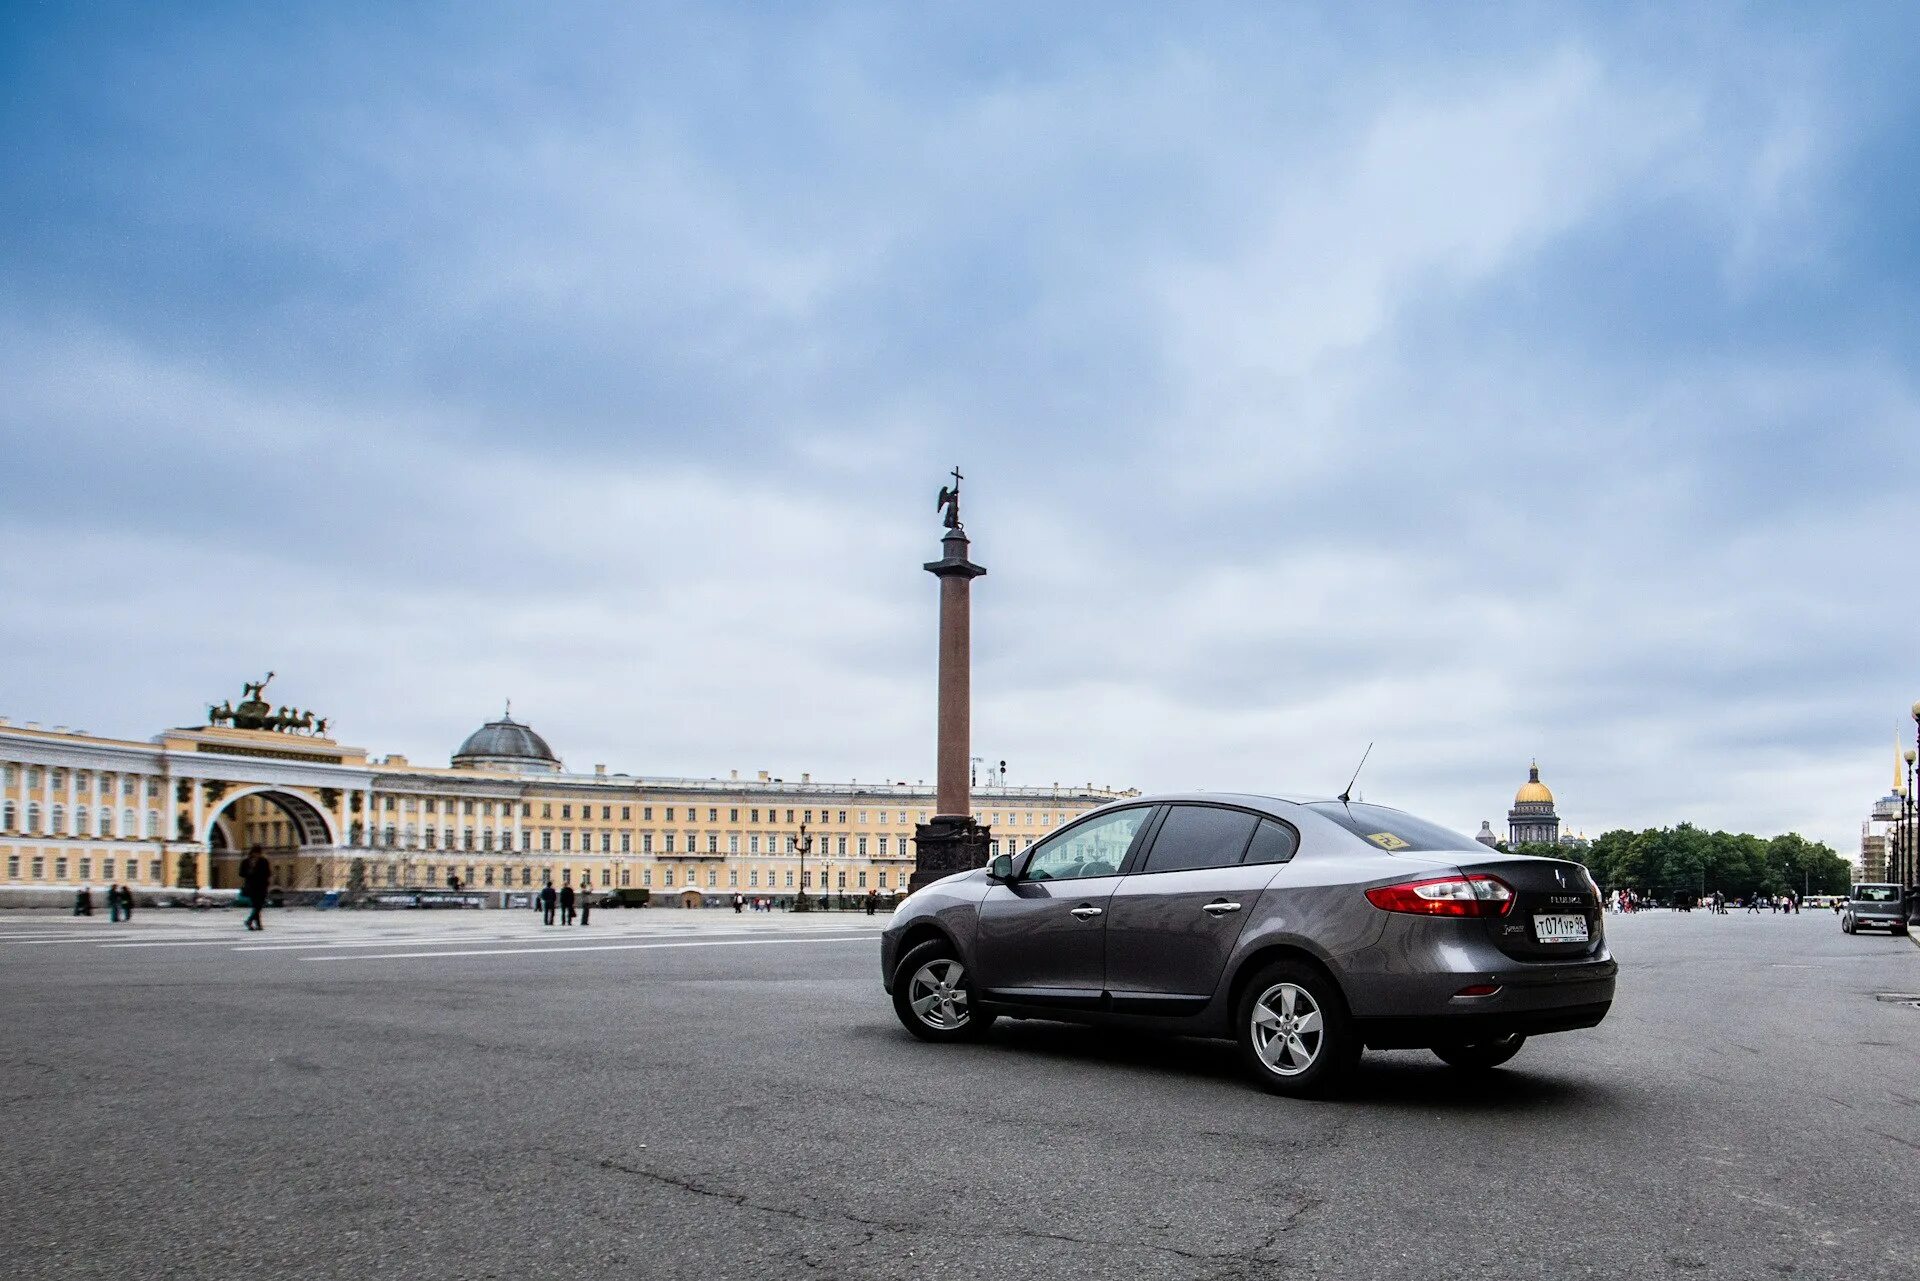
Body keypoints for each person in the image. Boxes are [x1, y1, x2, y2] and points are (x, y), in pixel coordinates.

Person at [240, 845, 272, 931]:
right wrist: (249, 872)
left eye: (259, 853)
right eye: (257, 853)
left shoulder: (263, 861)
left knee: (258, 906)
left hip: (262, 886)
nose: (258, 855)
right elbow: (241, 873)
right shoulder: (246, 862)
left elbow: (268, 873)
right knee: (257, 906)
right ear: (253, 853)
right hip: (252, 887)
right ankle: (253, 922)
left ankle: (253, 922)